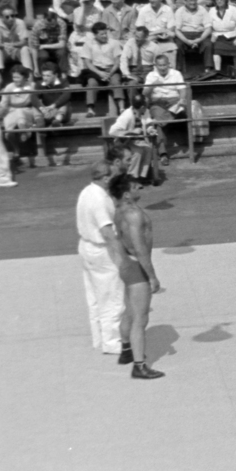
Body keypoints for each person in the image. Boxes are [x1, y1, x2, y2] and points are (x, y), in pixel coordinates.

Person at [108, 173, 165, 380]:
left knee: (130, 310)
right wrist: (152, 276)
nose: (139, 188)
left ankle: (126, 351)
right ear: (126, 194)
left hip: (127, 264)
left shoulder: (119, 210)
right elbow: (140, 249)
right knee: (140, 319)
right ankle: (139, 366)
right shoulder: (133, 214)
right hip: (136, 266)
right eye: (135, 187)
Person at [76, 162, 127, 355]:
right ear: (106, 178)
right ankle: (112, 342)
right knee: (112, 297)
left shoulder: (86, 192)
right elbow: (107, 231)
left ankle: (98, 338)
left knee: (95, 297)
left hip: (86, 246)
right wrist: (122, 256)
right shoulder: (100, 199)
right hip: (102, 250)